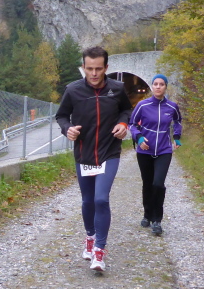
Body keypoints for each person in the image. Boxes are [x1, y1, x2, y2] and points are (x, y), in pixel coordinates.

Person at [56, 46, 132, 271]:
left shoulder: (117, 89)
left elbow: (127, 110)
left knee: (101, 199)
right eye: (89, 69)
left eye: (99, 69)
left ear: (106, 67)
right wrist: (68, 129)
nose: (94, 73)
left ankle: (99, 250)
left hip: (109, 151)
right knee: (88, 200)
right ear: (83, 67)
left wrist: (123, 124)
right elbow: (61, 116)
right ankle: (90, 236)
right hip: (84, 153)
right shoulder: (73, 90)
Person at [129, 74, 182, 236]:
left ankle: (157, 220)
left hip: (164, 150)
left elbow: (177, 121)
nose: (158, 87)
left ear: (165, 87)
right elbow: (132, 124)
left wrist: (177, 137)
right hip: (144, 150)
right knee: (147, 184)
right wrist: (139, 138)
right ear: (152, 86)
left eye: (161, 84)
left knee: (158, 184)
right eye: (155, 84)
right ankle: (147, 215)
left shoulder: (172, 106)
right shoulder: (142, 105)